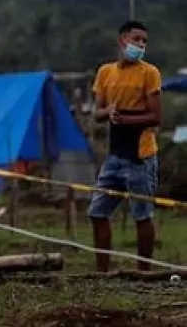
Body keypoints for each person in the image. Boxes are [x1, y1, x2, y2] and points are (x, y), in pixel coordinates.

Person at [89, 19, 161, 272]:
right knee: (98, 212)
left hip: (140, 155)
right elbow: (96, 113)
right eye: (136, 39)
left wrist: (127, 119)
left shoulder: (149, 73)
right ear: (122, 41)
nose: (140, 45)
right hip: (115, 155)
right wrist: (107, 111)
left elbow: (155, 117)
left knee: (142, 214)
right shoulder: (105, 72)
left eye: (144, 41)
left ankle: (144, 272)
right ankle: (102, 272)